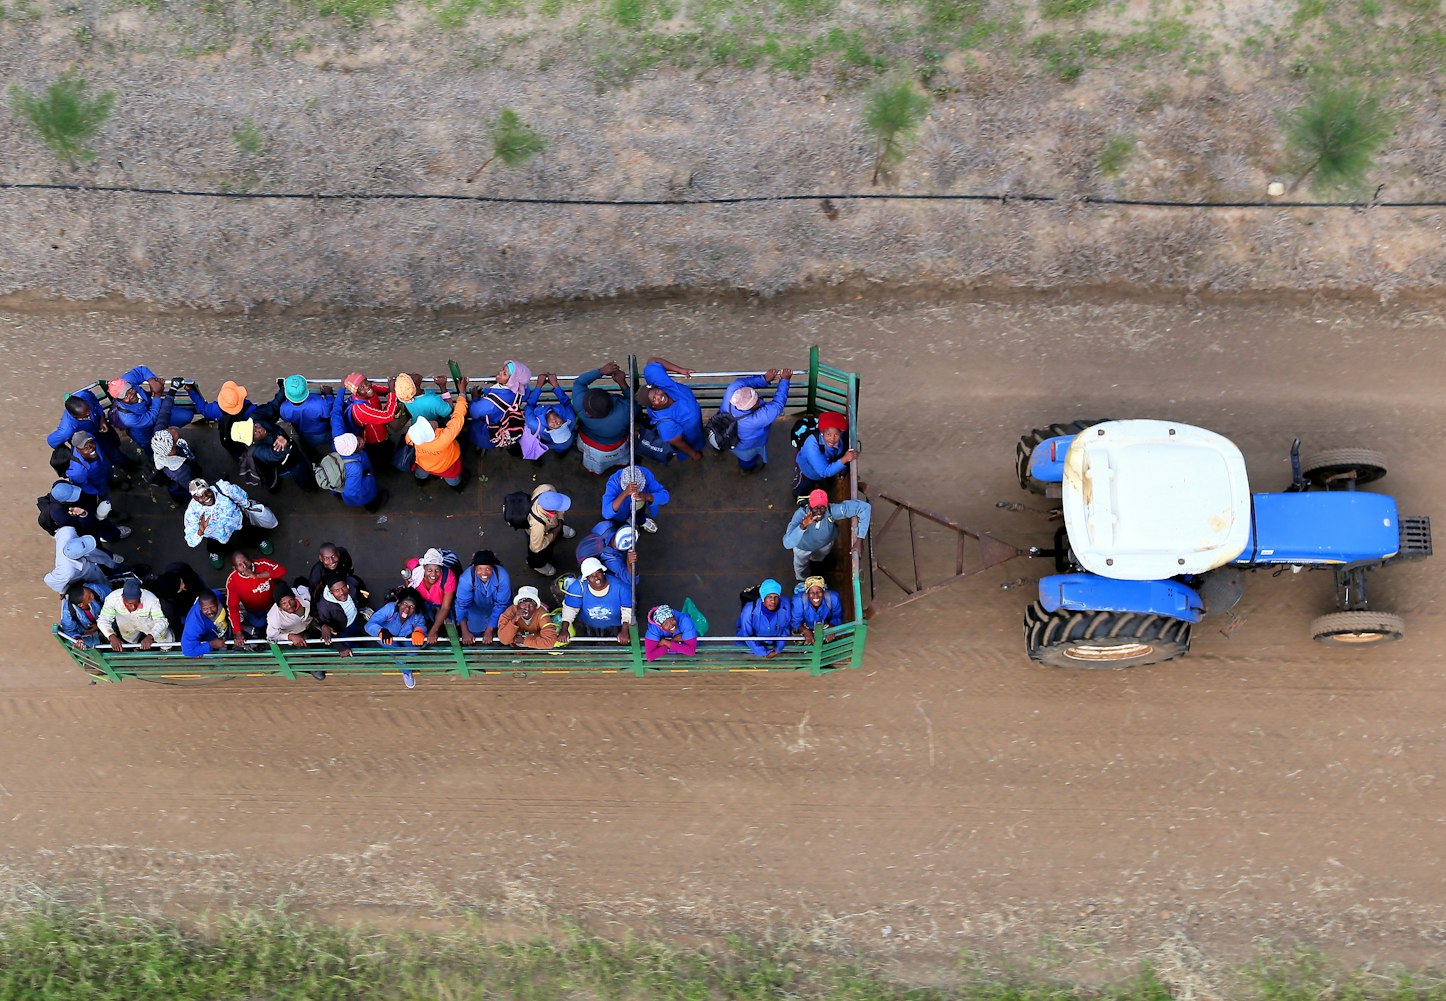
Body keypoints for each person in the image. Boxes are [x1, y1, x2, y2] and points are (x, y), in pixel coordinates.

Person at [782, 489, 873, 582]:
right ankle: (802, 580)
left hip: (824, 544)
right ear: (809, 506)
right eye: (815, 507)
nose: (819, 511)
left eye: (822, 507)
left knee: (819, 558)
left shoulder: (831, 511)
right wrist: (803, 526)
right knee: (801, 566)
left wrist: (860, 539)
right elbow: (787, 543)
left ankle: (817, 563)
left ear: (826, 506)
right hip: (803, 547)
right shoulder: (800, 515)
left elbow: (864, 508)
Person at [183, 478, 274, 570]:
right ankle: (215, 553)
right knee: (214, 545)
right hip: (216, 534)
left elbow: (242, 497)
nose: (205, 497)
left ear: (209, 488)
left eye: (206, 492)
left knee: (249, 532)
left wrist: (248, 506)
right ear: (194, 498)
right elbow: (190, 542)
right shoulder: (192, 513)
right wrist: (200, 531)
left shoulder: (224, 489)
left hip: (237, 522)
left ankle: (258, 541)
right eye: (200, 496)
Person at [719, 368, 793, 471]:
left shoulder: (732, 390)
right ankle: (747, 468)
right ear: (752, 406)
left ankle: (719, 449)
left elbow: (743, 382)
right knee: (747, 459)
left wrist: (764, 379)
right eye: (757, 399)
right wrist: (784, 380)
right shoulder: (755, 420)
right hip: (746, 446)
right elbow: (777, 405)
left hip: (723, 433)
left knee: (741, 455)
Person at [46, 386, 133, 471]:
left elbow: (94, 400)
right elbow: (52, 441)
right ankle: (130, 468)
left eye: (88, 409)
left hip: (100, 425)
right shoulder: (67, 428)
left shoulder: (84, 395)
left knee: (115, 440)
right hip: (92, 439)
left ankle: (119, 451)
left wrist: (101, 417)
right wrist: (71, 451)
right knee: (114, 454)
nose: (89, 413)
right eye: (85, 414)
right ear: (75, 416)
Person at [570, 361, 632, 474]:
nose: (586, 413)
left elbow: (579, 382)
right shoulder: (624, 411)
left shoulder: (580, 403)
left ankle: (592, 471)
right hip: (617, 445)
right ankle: (621, 464)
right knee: (621, 458)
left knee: (594, 464)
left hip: (590, 442)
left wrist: (601, 371)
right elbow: (634, 402)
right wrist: (622, 383)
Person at [406, 382, 470, 491]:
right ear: (431, 433)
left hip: (424, 464)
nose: (429, 421)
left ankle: (420, 482)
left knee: (420, 474)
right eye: (429, 424)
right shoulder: (445, 437)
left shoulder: (411, 436)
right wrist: (462, 393)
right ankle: (458, 488)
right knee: (454, 480)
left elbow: (408, 440)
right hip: (446, 466)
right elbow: (458, 416)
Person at [186, 379, 268, 460]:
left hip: (228, 440)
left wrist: (191, 391)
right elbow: (264, 412)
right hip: (248, 439)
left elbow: (202, 408)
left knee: (236, 453)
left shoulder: (215, 409)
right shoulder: (249, 409)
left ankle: (239, 460)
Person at [641, 358, 704, 462]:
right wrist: (694, 454)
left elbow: (652, 361)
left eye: (656, 392)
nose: (659, 396)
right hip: (689, 437)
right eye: (654, 399)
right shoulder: (665, 424)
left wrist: (679, 370)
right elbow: (677, 442)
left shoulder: (661, 383)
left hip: (696, 425)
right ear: (652, 406)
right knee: (695, 445)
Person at [364, 588, 429, 687]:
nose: (407, 609)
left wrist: (419, 632)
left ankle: (407, 666)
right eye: (405, 604)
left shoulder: (417, 616)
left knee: (414, 650)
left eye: (411, 606)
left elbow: (422, 627)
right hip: (387, 636)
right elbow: (369, 625)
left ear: (415, 608)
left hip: (405, 639)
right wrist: (380, 631)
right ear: (398, 603)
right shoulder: (390, 608)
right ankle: (407, 672)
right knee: (395, 650)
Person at [560, 556, 633, 644]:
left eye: (598, 573)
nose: (596, 578)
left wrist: (624, 630)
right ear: (586, 578)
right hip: (588, 623)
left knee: (615, 643)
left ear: (603, 572)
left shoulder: (621, 587)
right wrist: (564, 630)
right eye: (591, 576)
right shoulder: (578, 588)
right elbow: (570, 609)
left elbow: (627, 610)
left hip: (615, 624)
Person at [225, 550, 288, 647]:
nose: (244, 566)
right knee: (259, 623)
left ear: (251, 560)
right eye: (240, 564)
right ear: (235, 568)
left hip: (274, 604)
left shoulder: (262, 564)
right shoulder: (232, 580)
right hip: (255, 610)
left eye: (246, 562)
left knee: (282, 622)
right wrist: (237, 631)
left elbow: (281, 570)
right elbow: (233, 607)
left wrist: (257, 576)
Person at [235, 416, 314, 492]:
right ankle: (308, 487)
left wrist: (279, 435)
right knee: (301, 475)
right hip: (290, 464)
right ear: (251, 441)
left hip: (290, 456)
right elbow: (276, 454)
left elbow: (272, 411)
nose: (259, 428)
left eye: (255, 426)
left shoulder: (258, 422)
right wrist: (284, 445)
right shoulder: (259, 451)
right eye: (255, 432)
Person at [792, 411, 859, 500]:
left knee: (827, 485)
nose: (832, 439)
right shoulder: (811, 445)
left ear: (840, 433)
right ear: (822, 432)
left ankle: (822, 485)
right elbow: (824, 471)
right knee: (800, 490)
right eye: (828, 434)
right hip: (807, 472)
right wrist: (845, 459)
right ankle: (797, 495)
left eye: (836, 434)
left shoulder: (841, 440)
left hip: (825, 471)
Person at [467, 361, 530, 452]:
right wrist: (500, 380)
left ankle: (480, 449)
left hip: (487, 432)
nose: (500, 372)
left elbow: (474, 412)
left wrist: (475, 398)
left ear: (511, 380)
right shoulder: (521, 390)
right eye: (502, 369)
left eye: (504, 373)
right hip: (505, 427)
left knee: (481, 439)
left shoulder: (490, 403)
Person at [97, 577, 175, 652]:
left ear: (140, 596)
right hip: (126, 623)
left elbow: (161, 621)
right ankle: (135, 645)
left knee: (162, 636)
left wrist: (151, 636)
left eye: (136, 603)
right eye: (129, 604)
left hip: (147, 621)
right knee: (128, 636)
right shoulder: (112, 599)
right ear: (122, 598)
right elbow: (103, 620)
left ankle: (165, 648)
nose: (133, 607)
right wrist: (111, 636)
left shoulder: (151, 599)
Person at [337, 373, 399, 464]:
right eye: (362, 387)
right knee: (382, 458)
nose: (367, 387)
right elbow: (388, 415)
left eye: (366, 382)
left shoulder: (368, 391)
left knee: (388, 448)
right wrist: (392, 393)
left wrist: (391, 388)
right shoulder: (361, 409)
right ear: (356, 393)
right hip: (375, 440)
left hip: (381, 431)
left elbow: (387, 390)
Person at [455, 550, 512, 645]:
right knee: (473, 633)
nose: (484, 573)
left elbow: (501, 604)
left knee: (501, 634)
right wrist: (464, 631)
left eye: (488, 569)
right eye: (480, 569)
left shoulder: (502, 576)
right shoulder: (466, 579)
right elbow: (461, 606)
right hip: (475, 610)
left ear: (493, 568)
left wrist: (490, 629)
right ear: (474, 568)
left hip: (499, 610)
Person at [402, 548, 457, 645]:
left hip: (441, 604)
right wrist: (406, 578)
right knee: (423, 616)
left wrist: (434, 630)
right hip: (423, 600)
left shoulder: (449, 578)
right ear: (423, 568)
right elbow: (406, 561)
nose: (433, 574)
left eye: (437, 570)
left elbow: (445, 607)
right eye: (429, 570)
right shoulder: (416, 570)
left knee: (448, 621)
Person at [44, 480, 129, 543]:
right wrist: (83, 514)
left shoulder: (60, 485)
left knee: (105, 521)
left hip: (92, 507)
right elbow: (82, 528)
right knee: (98, 529)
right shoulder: (60, 515)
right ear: (64, 502)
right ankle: (108, 536)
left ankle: (113, 531)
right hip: (88, 521)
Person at [44, 528, 123, 594]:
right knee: (101, 584)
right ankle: (110, 589)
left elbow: (61, 531)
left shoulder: (68, 533)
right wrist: (65, 590)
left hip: (86, 562)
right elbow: (49, 580)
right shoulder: (67, 571)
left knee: (100, 556)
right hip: (83, 575)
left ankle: (114, 566)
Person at [278, 376, 336, 459]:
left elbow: (287, 420)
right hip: (323, 435)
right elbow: (329, 411)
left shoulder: (283, 408)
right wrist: (329, 395)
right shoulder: (319, 403)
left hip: (303, 436)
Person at [600, 464, 669, 534]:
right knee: (620, 523)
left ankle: (642, 522)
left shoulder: (645, 474)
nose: (634, 493)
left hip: (641, 506)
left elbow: (665, 497)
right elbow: (606, 513)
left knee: (641, 516)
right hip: (622, 511)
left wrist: (647, 497)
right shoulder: (614, 482)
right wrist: (624, 494)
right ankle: (627, 523)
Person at [329, 433, 388, 512]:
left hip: (343, 491)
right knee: (367, 497)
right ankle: (372, 506)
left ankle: (341, 497)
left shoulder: (336, 451)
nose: (360, 440)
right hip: (361, 490)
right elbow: (352, 490)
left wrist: (336, 492)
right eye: (358, 443)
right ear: (353, 450)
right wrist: (368, 477)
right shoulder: (356, 465)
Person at [147, 561, 209, 637]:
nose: (183, 586)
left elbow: (194, 576)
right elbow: (175, 623)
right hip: (184, 610)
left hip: (195, 588)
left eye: (181, 582)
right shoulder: (167, 606)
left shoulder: (178, 568)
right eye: (179, 588)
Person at [526, 485, 575, 576]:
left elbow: (559, 509)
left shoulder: (547, 488)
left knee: (557, 526)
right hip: (540, 535)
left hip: (553, 522)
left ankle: (559, 531)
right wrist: (553, 534)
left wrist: (560, 521)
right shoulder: (538, 527)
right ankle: (538, 565)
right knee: (539, 553)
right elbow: (535, 547)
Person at [266, 583, 320, 665]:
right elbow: (271, 636)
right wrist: (290, 636)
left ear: (294, 597)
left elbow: (306, 588)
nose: (289, 605)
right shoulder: (274, 617)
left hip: (310, 623)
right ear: (279, 606)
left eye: (290, 600)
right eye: (283, 603)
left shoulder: (304, 595)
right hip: (296, 635)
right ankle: (312, 667)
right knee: (305, 652)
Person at [314, 576, 369, 656]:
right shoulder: (324, 606)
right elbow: (327, 628)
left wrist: (364, 602)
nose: (342, 592)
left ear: (347, 585)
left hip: (354, 618)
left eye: (343, 587)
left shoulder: (352, 583)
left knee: (356, 633)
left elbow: (361, 590)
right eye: (337, 590)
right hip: (342, 628)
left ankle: (359, 643)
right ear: (331, 592)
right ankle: (358, 656)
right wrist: (341, 648)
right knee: (348, 642)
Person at [737, 578, 792, 658]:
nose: (773, 601)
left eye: (776, 597)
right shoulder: (749, 610)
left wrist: (778, 649)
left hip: (773, 644)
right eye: (769, 597)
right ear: (763, 598)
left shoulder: (785, 606)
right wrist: (763, 652)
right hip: (751, 646)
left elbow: (785, 629)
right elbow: (747, 634)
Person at [524, 372, 576, 456]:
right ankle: (560, 455)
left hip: (552, 443)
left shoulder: (533, 423)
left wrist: (538, 386)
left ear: (548, 429)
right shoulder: (570, 417)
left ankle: (558, 455)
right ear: (564, 421)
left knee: (559, 449)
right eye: (559, 424)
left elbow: (530, 405)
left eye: (553, 427)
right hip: (566, 443)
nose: (555, 423)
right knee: (561, 450)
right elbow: (566, 403)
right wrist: (555, 385)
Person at [150, 427, 202, 507]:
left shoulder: (160, 443)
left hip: (183, 473)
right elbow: (189, 484)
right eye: (173, 434)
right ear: (172, 446)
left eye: (169, 430)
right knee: (183, 491)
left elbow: (161, 422)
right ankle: (179, 501)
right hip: (183, 483)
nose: (173, 430)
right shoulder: (179, 471)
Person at [59, 580, 112, 648]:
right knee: (87, 645)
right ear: (81, 604)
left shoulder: (95, 589)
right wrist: (77, 639)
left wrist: (100, 625)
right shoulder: (68, 611)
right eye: (89, 597)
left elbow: (113, 601)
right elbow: (69, 630)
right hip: (88, 632)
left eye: (90, 592)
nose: (92, 596)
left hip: (109, 620)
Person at [791, 576, 844, 644]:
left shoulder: (833, 598)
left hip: (826, 626)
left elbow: (837, 616)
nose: (816, 596)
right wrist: (805, 631)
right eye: (811, 592)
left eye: (819, 591)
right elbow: (795, 622)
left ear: (824, 591)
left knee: (831, 645)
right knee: (805, 648)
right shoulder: (799, 601)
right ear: (807, 593)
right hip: (805, 626)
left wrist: (831, 628)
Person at [180, 589, 231, 658]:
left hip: (226, 632)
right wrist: (211, 645)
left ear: (217, 602)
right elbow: (188, 650)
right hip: (211, 644)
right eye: (205, 609)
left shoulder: (217, 595)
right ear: (200, 607)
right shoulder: (194, 622)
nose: (209, 611)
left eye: (212, 607)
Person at [65, 431, 114, 501]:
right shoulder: (78, 471)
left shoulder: (90, 438)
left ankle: (111, 484)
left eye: (90, 443)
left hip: (104, 472)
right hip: (97, 484)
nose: (90, 447)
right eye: (85, 447)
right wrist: (97, 492)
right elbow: (83, 485)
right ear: (78, 450)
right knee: (104, 497)